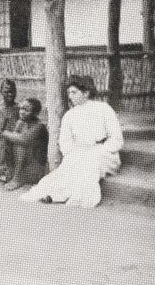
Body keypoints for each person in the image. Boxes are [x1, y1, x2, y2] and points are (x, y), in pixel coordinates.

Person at [20, 75, 123, 208]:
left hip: (104, 153)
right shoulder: (70, 115)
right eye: (69, 93)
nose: (70, 96)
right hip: (78, 152)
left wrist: (98, 150)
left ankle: (72, 197)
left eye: (74, 92)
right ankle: (55, 194)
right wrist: (73, 153)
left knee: (87, 165)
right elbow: (65, 141)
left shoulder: (104, 109)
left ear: (86, 93)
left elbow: (116, 138)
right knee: (67, 168)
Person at [0, 97, 49, 191]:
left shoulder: (39, 126)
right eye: (21, 108)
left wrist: (3, 133)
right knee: (5, 143)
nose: (21, 112)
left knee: (21, 145)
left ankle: (17, 179)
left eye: (26, 110)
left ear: (35, 113)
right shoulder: (21, 122)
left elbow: (24, 140)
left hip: (35, 168)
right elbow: (12, 138)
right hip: (23, 166)